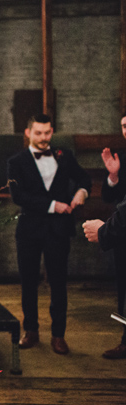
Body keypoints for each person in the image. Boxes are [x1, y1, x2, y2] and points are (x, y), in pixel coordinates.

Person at [7, 114, 91, 355]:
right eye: (38, 133)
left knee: (58, 282)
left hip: (58, 230)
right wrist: (53, 205)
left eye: (47, 133)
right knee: (28, 282)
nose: (43, 138)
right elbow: (18, 196)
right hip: (29, 230)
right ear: (28, 133)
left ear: (52, 131)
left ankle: (58, 335)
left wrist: (82, 192)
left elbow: (84, 179)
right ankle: (30, 331)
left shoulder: (65, 156)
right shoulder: (16, 162)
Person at [84, 111, 126, 359]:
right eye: (124, 126)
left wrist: (104, 231)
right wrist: (113, 176)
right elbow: (111, 198)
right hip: (122, 237)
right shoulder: (121, 157)